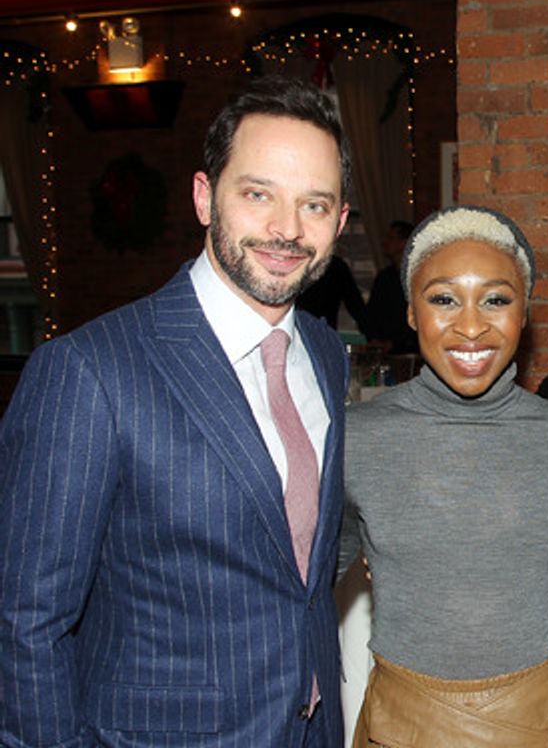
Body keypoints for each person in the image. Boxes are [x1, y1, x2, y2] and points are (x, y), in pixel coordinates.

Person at [0, 75, 352, 747]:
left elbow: (300, 572)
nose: (286, 229)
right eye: (258, 195)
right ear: (203, 197)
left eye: (314, 204)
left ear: (338, 223)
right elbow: (23, 623)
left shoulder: (327, 356)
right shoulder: (90, 370)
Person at [339, 205, 548, 747]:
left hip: (538, 725)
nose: (471, 325)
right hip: (402, 727)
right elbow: (297, 586)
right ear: (410, 312)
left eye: (496, 299)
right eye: (443, 298)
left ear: (525, 314)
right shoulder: (355, 437)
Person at [366, 219, 419, 354]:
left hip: (410, 352)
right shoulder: (384, 277)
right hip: (382, 351)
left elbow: (420, 317)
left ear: (404, 242)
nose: (384, 242)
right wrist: (374, 338)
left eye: (390, 237)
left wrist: (396, 343)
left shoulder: (417, 278)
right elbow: (372, 313)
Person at [297, 253, 372, 336]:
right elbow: (354, 304)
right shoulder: (336, 266)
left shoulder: (297, 264)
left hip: (297, 329)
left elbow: (355, 304)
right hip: (325, 332)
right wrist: (370, 333)